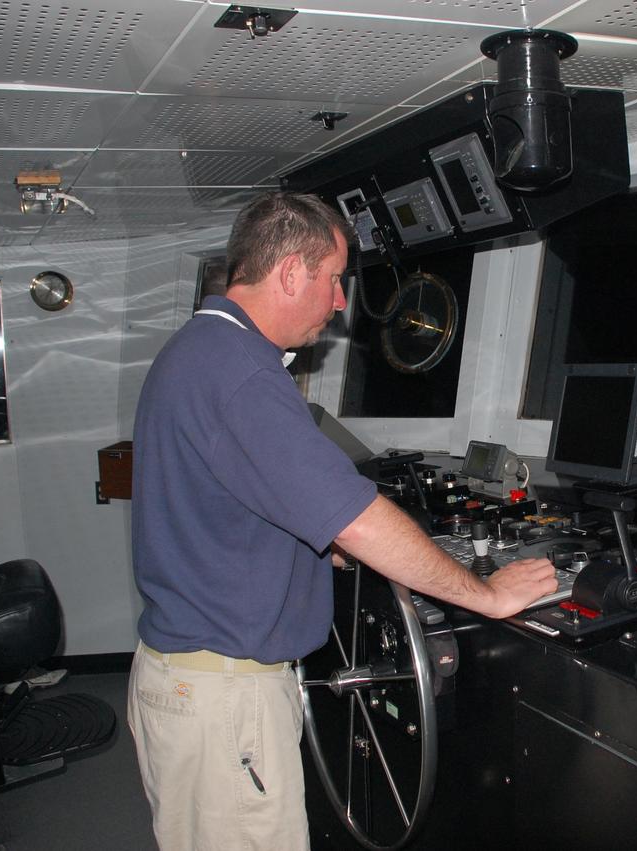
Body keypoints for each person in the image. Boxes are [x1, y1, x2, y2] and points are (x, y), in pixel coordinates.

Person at [127, 191, 557, 851]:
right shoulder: (242, 373)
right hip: (224, 701)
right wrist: (490, 595)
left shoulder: (200, 350)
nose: (336, 301)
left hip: (194, 681)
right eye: (333, 279)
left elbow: (227, 504)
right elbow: (358, 520)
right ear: (292, 273)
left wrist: (312, 548)